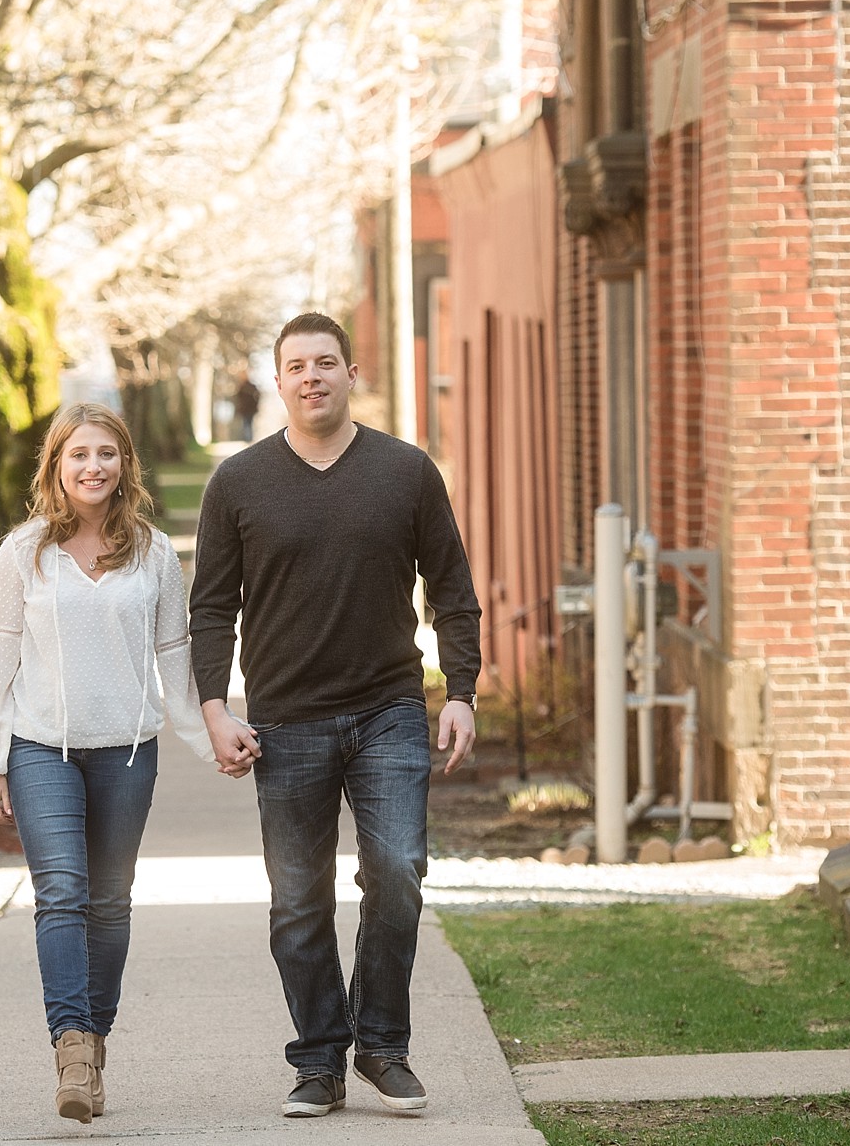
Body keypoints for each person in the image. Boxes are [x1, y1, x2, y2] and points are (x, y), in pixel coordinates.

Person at [190, 313, 481, 1118]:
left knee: (397, 872)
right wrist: (215, 709)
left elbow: (452, 590)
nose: (311, 376)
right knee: (297, 897)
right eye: (296, 366)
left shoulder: (407, 471)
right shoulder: (239, 483)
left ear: (352, 373)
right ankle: (318, 1058)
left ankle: (382, 1046)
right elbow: (211, 608)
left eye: (326, 363)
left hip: (388, 706)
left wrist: (461, 692)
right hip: (284, 720)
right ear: (278, 381)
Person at [0, 405, 214, 1125]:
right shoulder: (22, 554)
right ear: (56, 465)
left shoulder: (155, 555)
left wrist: (207, 737)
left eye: (106, 454)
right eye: (79, 455)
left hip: (127, 754)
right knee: (63, 892)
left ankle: (93, 1043)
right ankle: (71, 1049)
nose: (93, 467)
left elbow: (175, 659)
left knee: (109, 903)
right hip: (40, 749)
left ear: (124, 465)